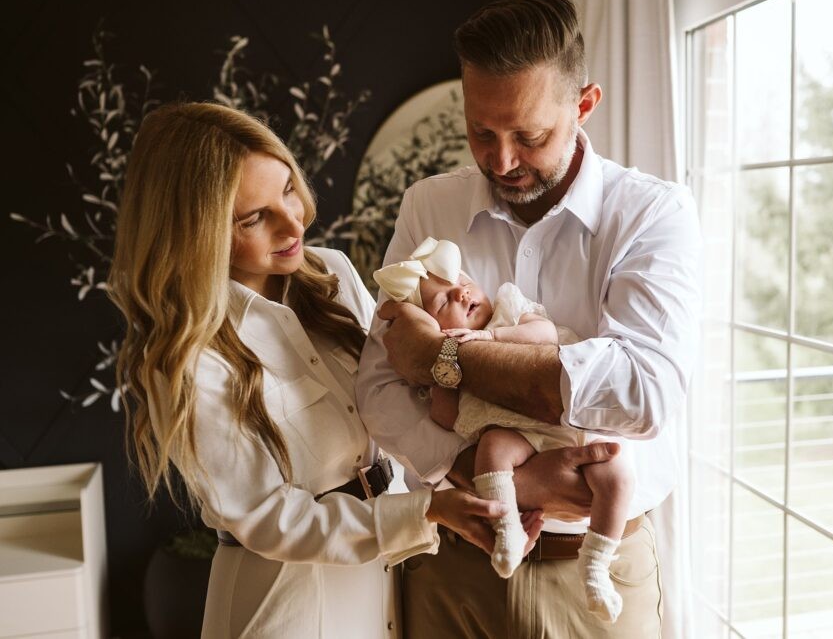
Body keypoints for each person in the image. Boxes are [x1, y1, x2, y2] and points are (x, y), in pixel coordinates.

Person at [108, 102, 533, 639]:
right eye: (253, 217)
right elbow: (268, 517)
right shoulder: (189, 357)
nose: (295, 222)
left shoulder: (332, 273)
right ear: (195, 234)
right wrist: (426, 511)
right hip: (285, 604)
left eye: (287, 189)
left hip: (381, 583)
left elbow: (395, 402)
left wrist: (498, 483)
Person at [356, 0, 701, 638]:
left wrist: (441, 358)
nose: (503, 159)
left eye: (529, 135)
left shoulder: (654, 215)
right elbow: (378, 385)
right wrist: (501, 479)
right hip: (454, 560)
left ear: (584, 104)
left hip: (598, 573)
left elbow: (643, 389)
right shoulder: (428, 207)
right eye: (481, 132)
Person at [374, 237, 633, 622]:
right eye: (443, 302)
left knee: (616, 475)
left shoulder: (508, 311)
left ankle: (596, 564)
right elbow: (445, 419)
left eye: (462, 282)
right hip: (518, 438)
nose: (461, 293)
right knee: (491, 449)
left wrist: (489, 339)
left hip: (570, 427)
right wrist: (436, 359)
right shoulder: (446, 362)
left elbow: (544, 335)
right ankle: (507, 528)